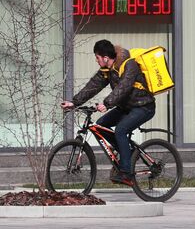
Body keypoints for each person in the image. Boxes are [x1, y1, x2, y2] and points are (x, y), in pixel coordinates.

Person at [60, 39, 155, 186]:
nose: (96, 61)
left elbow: (123, 88)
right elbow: (92, 86)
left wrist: (106, 103)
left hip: (143, 107)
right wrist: (74, 102)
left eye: (97, 57)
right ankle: (128, 155)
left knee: (121, 130)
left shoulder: (129, 65)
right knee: (101, 125)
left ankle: (126, 172)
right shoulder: (107, 70)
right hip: (126, 107)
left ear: (105, 57)